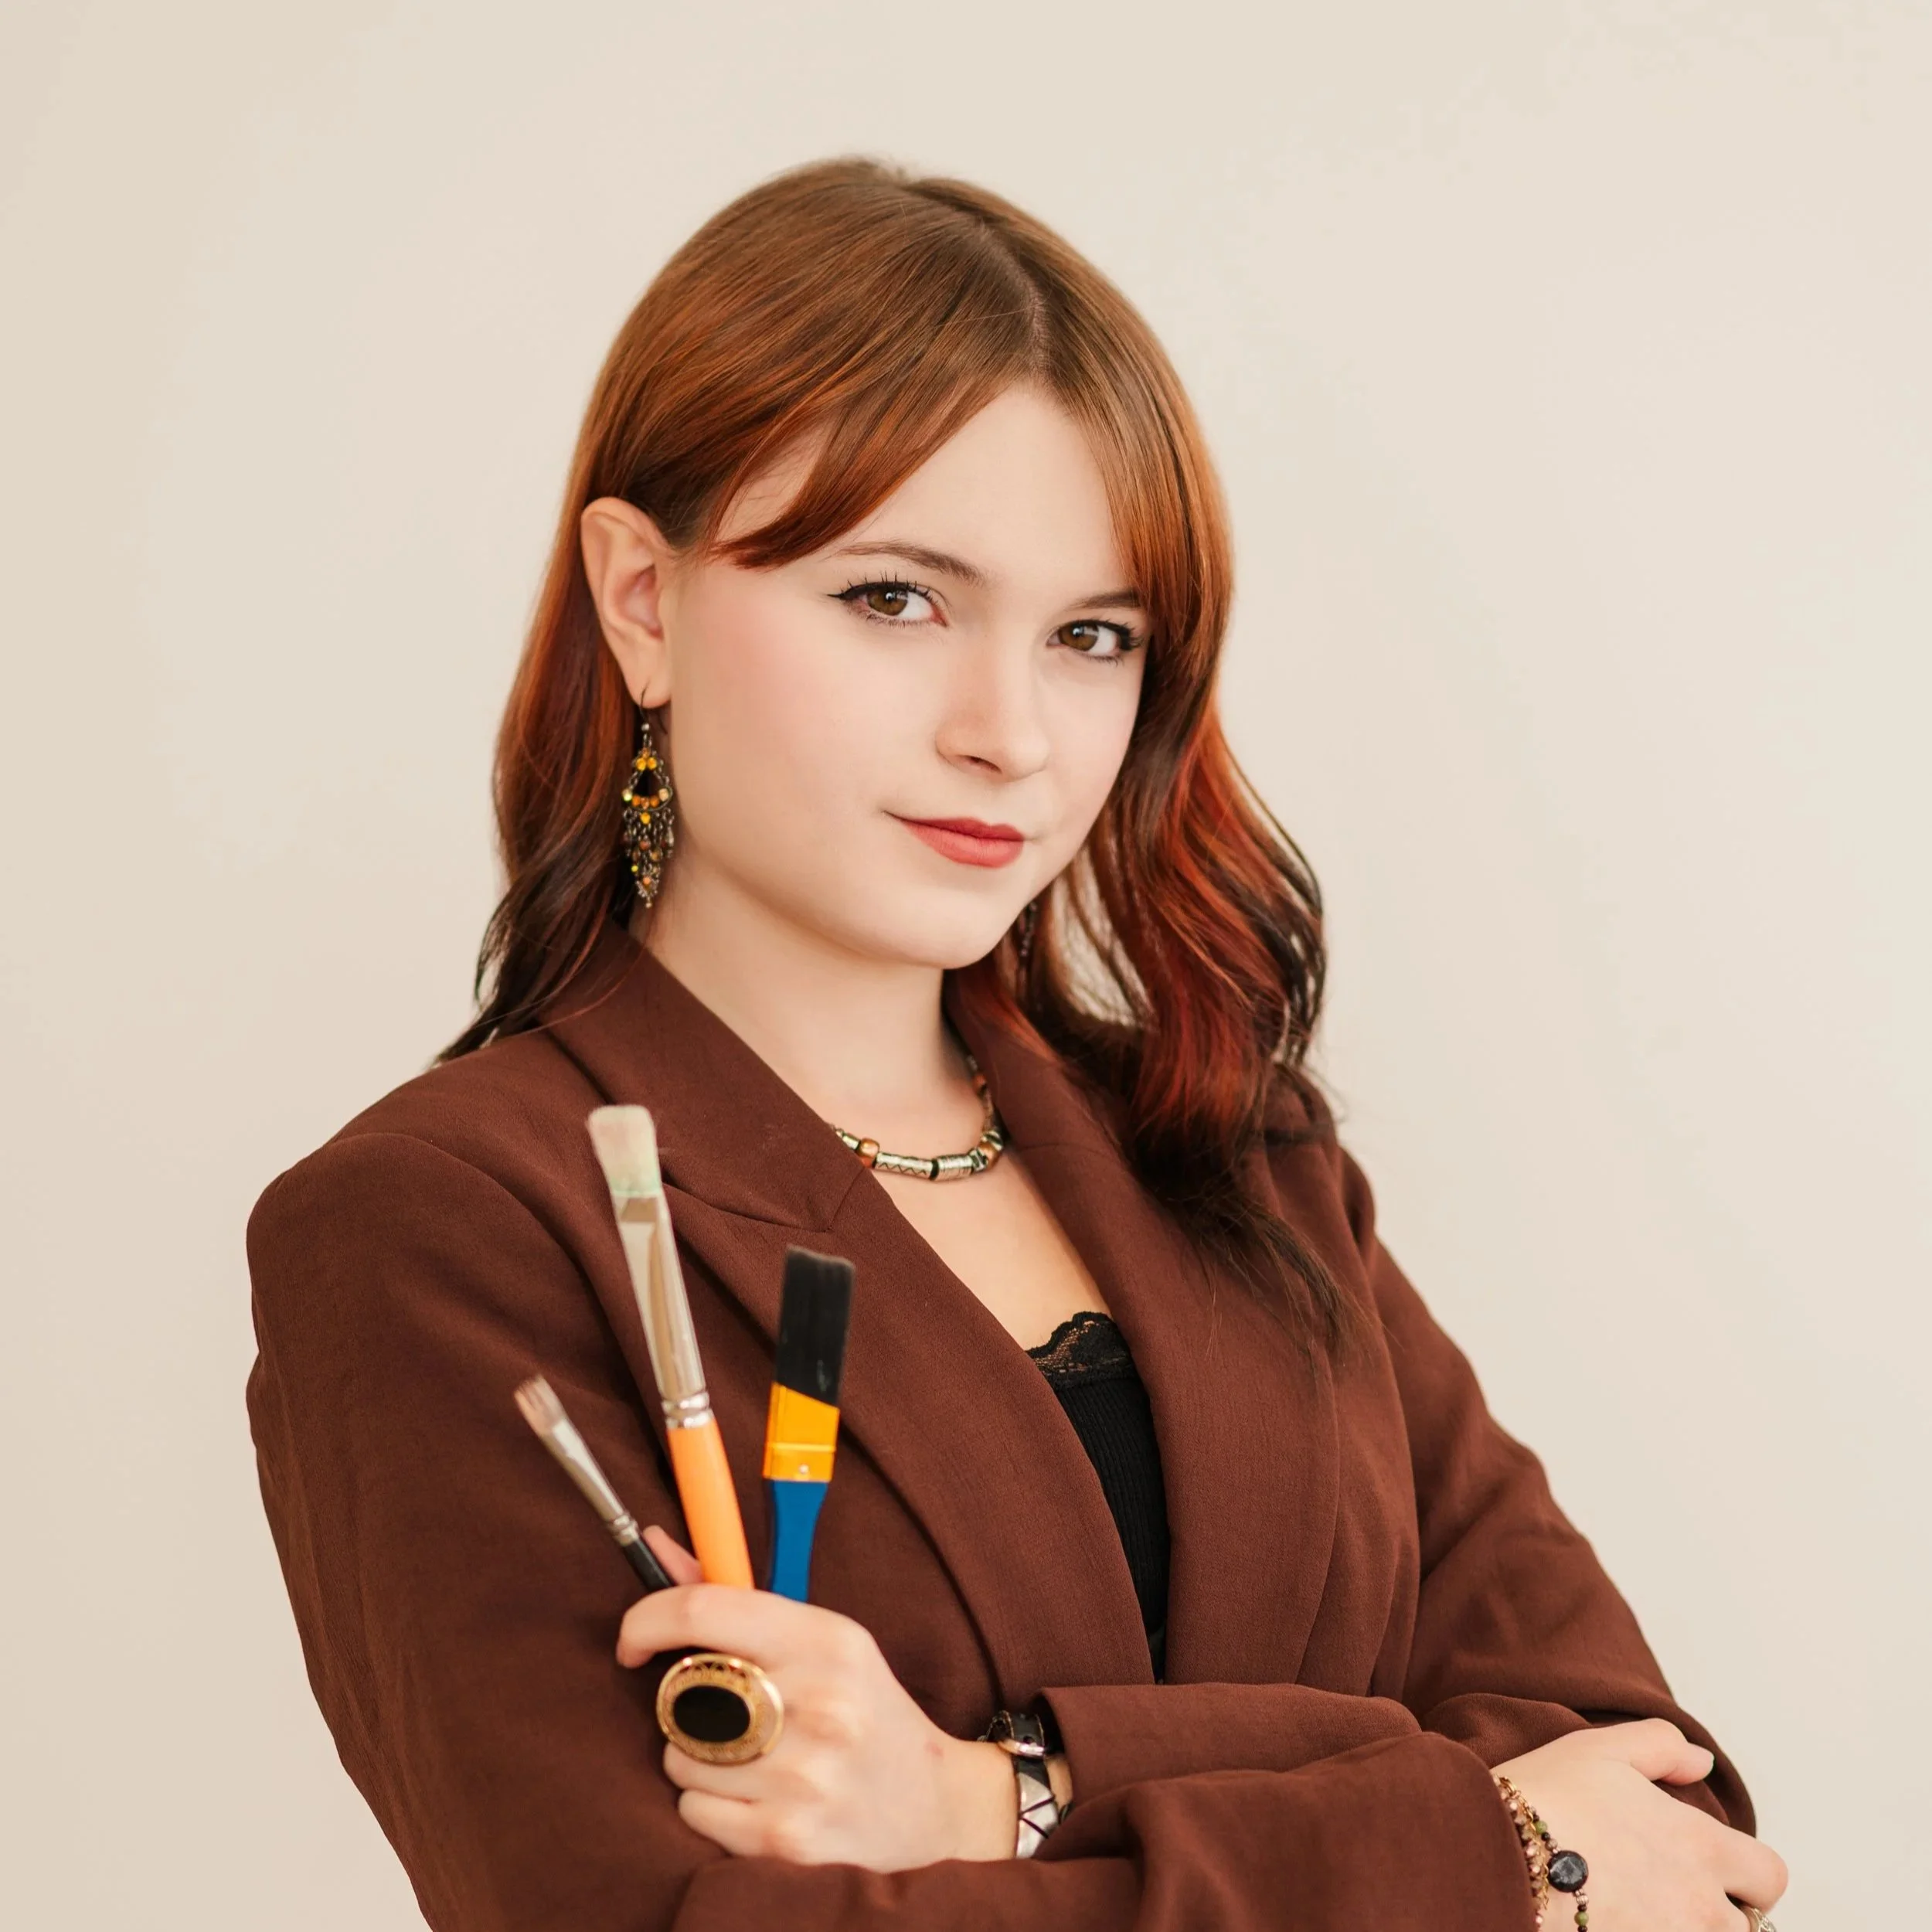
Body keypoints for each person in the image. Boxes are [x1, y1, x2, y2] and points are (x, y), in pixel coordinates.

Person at [244, 158, 1789, 1931]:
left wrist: (993, 1793)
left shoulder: (1236, 1149)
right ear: (640, 599)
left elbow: (1668, 1805)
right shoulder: (439, 1222)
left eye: (1090, 635)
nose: (1010, 732)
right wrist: (1480, 1838)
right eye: (894, 597)